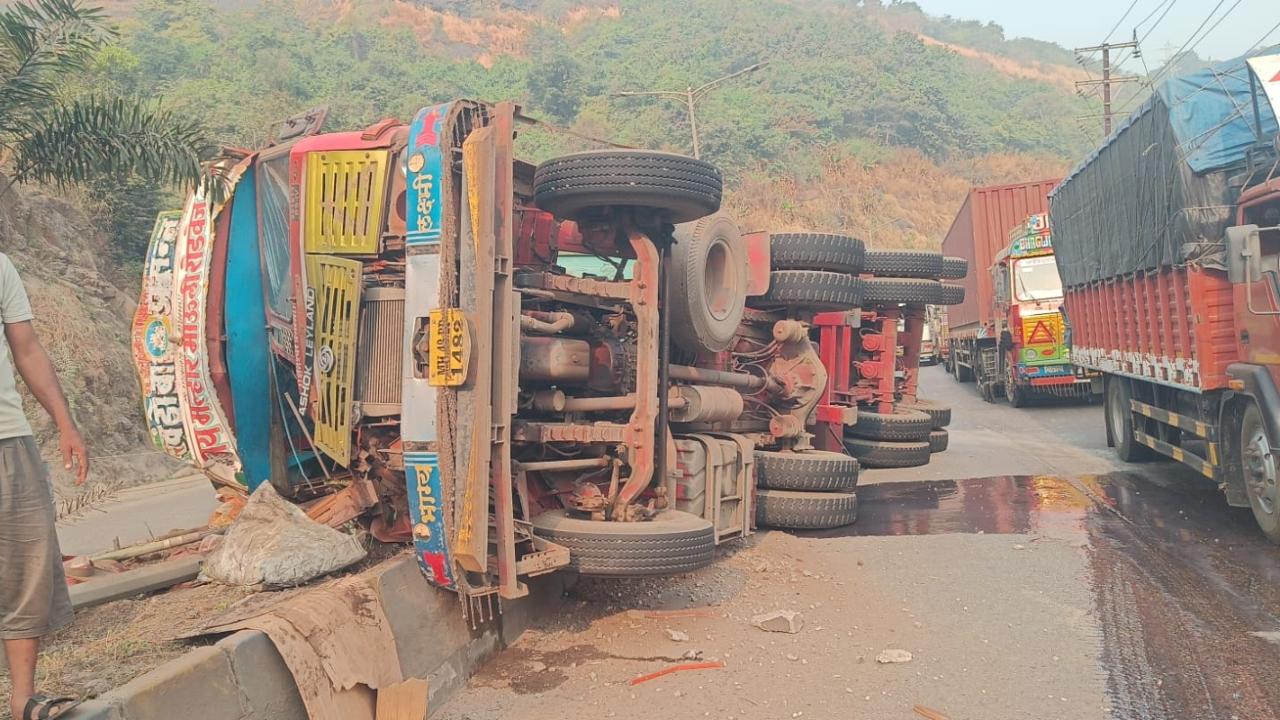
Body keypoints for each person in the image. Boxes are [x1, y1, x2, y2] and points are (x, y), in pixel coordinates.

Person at [0, 253, 89, 720]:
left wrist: (64, 422)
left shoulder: (0, 267)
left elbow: (27, 347)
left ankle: (23, 702)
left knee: (25, 567)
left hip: (7, 438)